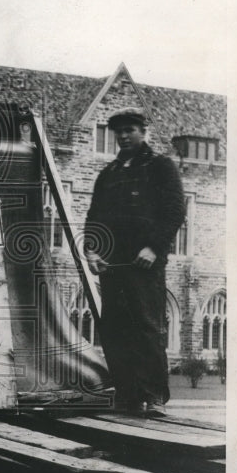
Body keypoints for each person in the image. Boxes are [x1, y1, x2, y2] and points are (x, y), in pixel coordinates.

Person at [84, 108, 185, 416]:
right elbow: (94, 217)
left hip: (145, 265)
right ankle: (127, 395)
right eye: (119, 132)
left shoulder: (160, 167)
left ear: (144, 132)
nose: (123, 136)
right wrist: (92, 250)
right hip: (112, 265)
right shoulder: (109, 174)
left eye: (129, 130)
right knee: (114, 329)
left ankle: (153, 396)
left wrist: (154, 247)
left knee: (146, 327)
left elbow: (175, 210)